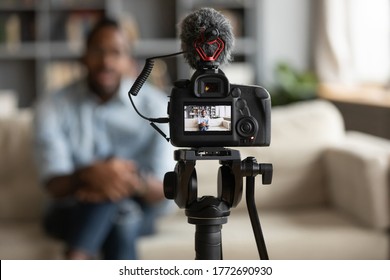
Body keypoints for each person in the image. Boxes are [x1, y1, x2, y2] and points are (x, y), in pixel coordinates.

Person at [33, 17, 173, 260]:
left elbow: (165, 190)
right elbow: (54, 184)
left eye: (116, 52)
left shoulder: (158, 108)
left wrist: (124, 180)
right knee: (122, 217)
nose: (106, 61)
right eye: (98, 51)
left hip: (141, 205)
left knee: (123, 210)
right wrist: (89, 176)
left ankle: (76, 256)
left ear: (130, 61)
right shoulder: (52, 106)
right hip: (71, 208)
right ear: (83, 57)